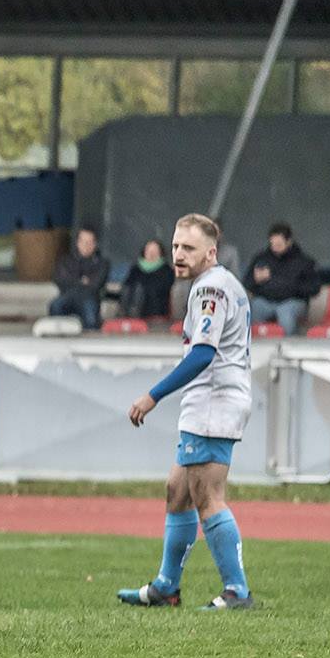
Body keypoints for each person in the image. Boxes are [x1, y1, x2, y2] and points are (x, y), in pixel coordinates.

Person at [118, 213, 253, 611]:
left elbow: (203, 355)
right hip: (210, 401)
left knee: (206, 496)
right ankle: (166, 587)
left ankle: (237, 591)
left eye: (188, 248)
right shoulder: (220, 283)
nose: (178, 255)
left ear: (210, 252)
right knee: (177, 491)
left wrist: (153, 395)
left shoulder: (210, 290)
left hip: (214, 401)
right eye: (176, 246)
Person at [245, 222, 318, 336]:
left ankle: (288, 346)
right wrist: (256, 280)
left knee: (286, 314)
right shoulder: (262, 258)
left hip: (292, 301)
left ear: (288, 242)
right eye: (272, 244)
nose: (275, 248)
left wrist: (292, 286)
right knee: (253, 308)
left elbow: (314, 288)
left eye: (279, 245)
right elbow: (247, 283)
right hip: (266, 300)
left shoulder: (303, 261)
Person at [47, 227, 110, 331]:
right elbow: (60, 280)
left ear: (95, 244)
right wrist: (83, 281)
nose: (86, 245)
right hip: (67, 295)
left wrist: (74, 280)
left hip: (89, 297)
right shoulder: (65, 261)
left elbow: (96, 284)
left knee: (90, 316)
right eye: (83, 241)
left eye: (89, 242)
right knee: (55, 305)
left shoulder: (102, 263)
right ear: (77, 242)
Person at [119, 238, 174, 324]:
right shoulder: (136, 268)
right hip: (134, 307)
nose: (151, 253)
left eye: (155, 250)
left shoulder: (167, 270)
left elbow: (164, 288)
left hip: (156, 309)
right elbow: (127, 285)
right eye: (149, 250)